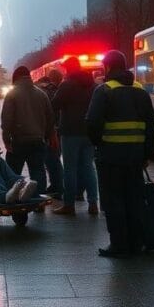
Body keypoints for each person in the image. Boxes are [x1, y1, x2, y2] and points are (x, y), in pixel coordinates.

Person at [86, 51, 154, 257]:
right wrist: (147, 153)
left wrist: (98, 144)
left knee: (113, 199)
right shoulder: (141, 91)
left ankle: (119, 244)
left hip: (110, 156)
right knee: (134, 198)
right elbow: (151, 124)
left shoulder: (104, 91)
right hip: (136, 156)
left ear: (107, 67)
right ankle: (136, 241)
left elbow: (92, 123)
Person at [51, 57, 99, 215]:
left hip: (70, 132)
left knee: (70, 169)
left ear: (69, 68)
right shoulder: (93, 85)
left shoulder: (67, 85)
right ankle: (93, 203)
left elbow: (54, 104)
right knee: (88, 167)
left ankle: (69, 204)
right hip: (89, 132)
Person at [2, 66, 54, 202]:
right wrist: (46, 137)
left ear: (15, 78)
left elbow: (7, 120)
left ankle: (13, 200)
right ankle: (38, 201)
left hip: (18, 141)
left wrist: (6, 140)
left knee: (13, 173)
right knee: (38, 171)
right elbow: (50, 118)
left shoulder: (12, 94)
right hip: (38, 141)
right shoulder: (41, 94)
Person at [37, 70, 65, 200]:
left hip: (51, 130)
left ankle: (57, 187)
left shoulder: (46, 91)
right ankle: (56, 186)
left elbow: (48, 112)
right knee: (54, 159)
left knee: (51, 160)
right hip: (59, 128)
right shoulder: (61, 89)